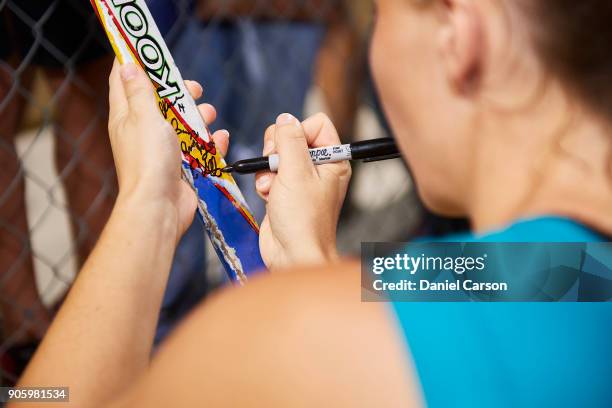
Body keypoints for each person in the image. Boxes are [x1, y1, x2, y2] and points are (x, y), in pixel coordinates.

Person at [11, 0, 612, 407]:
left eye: (382, 12)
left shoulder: (267, 336)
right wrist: (310, 259)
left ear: (458, 32)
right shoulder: (573, 268)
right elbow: (508, 282)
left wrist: (147, 203)